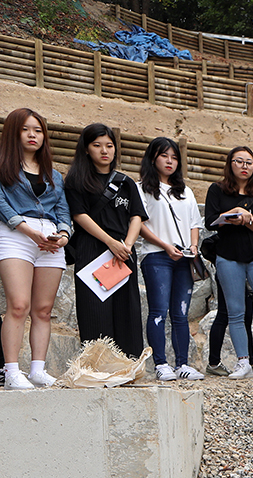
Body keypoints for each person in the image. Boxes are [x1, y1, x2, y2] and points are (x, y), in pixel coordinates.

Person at [0, 108, 71, 390]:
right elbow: (1, 204)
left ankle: (38, 370)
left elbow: (63, 210)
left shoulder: (54, 174)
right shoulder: (3, 167)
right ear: (14, 132)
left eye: (38, 130)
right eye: (26, 129)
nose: (33, 135)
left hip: (50, 239)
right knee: (18, 305)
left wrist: (64, 235)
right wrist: (27, 229)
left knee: (43, 309)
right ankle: (12, 371)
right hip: (15, 234)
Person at [65, 122, 146, 358]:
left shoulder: (125, 182)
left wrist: (127, 245)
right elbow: (80, 216)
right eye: (97, 145)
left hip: (123, 253)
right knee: (94, 310)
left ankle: (128, 367)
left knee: (126, 311)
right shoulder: (76, 181)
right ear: (86, 149)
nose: (104, 151)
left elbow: (137, 216)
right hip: (92, 249)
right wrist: (110, 242)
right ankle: (98, 368)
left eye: (109, 145)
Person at [136, 137, 204, 381]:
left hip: (184, 258)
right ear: (153, 157)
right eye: (164, 156)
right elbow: (139, 225)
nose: (170, 161)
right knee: (158, 310)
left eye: (174, 157)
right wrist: (164, 245)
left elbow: (195, 224)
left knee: (181, 312)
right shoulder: (141, 188)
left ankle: (182, 363)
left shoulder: (185, 191)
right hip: (156, 256)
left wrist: (193, 246)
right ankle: (161, 363)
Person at [205, 155, 253, 378]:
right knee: (236, 312)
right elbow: (210, 221)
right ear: (230, 164)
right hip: (228, 256)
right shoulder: (217, 190)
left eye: (249, 162)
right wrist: (231, 215)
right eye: (239, 161)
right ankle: (243, 362)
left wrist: (249, 221)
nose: (244, 166)